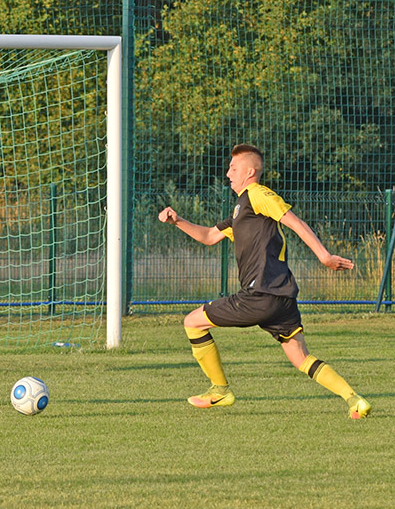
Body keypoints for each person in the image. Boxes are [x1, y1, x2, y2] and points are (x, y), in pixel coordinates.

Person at [158, 143, 371, 419]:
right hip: (282, 298)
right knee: (301, 357)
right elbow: (209, 236)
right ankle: (355, 400)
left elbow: (295, 222)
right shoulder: (241, 210)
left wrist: (324, 256)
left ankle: (220, 389)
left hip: (259, 295)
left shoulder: (257, 194)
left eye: (233, 168)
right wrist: (178, 221)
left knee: (192, 323)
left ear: (250, 171)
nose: (227, 173)